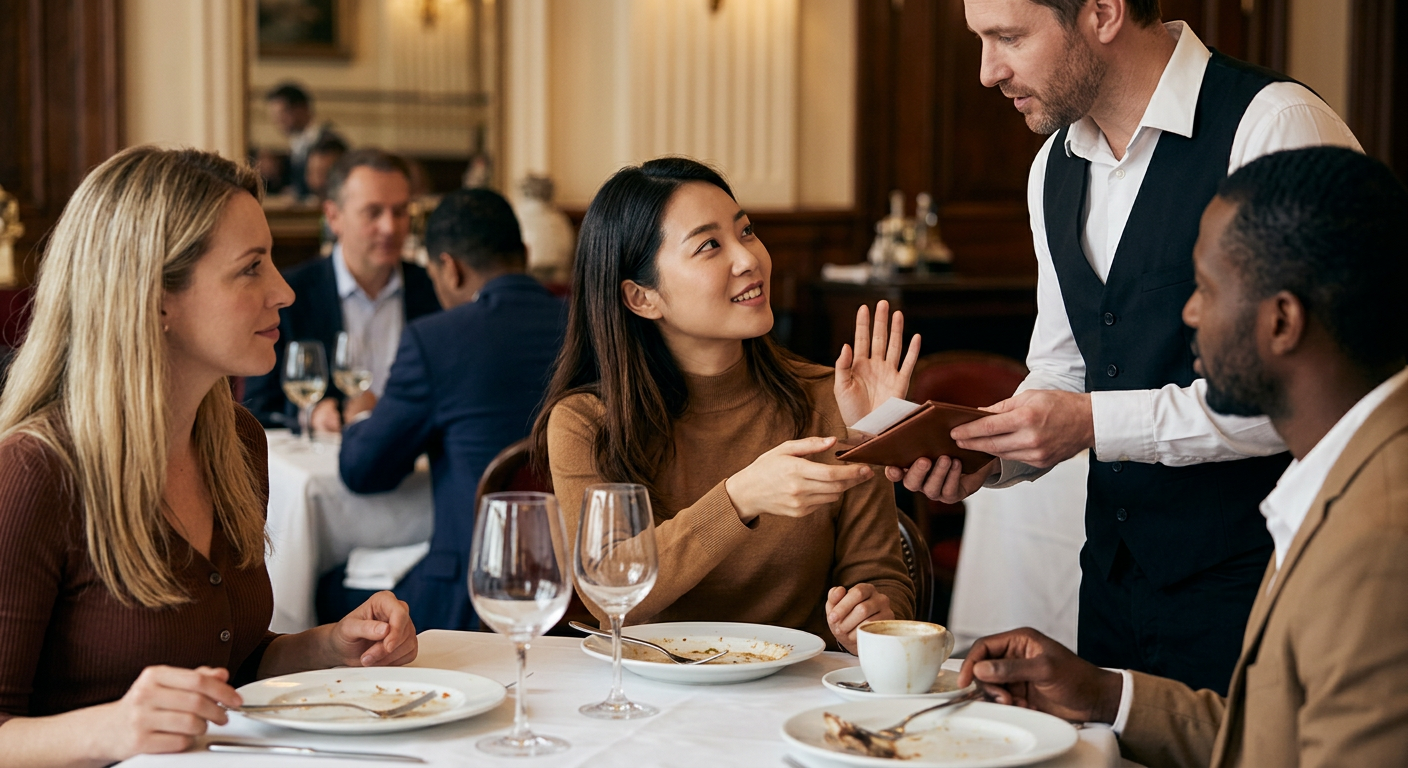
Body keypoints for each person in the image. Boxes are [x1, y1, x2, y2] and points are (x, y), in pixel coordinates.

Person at [895, 0, 1362, 692]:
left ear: (1105, 12)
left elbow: (1328, 394)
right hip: (1112, 587)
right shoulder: (1051, 168)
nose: (988, 71)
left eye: (1008, 37)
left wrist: (1090, 422)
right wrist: (991, 456)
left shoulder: (1274, 127)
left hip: (1264, 583)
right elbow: (1062, 369)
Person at [958, 146, 1408, 768]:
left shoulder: (1380, 538)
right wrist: (1101, 694)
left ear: (1282, 321)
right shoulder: (1339, 479)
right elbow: (1274, 738)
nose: (1188, 313)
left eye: (1205, 287)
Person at [0, 146, 418, 766]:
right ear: (156, 298)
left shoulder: (238, 444)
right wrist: (113, 729)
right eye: (251, 268)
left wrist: (329, 646)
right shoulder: (34, 473)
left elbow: (231, 659)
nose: (283, 291)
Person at [533, 157, 916, 654]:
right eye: (710, 245)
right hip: (649, 699)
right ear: (642, 297)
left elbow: (884, 582)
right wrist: (739, 498)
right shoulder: (587, 422)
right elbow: (608, 591)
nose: (749, 258)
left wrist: (872, 613)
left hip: (793, 698)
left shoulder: (833, 398)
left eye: (747, 231)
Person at [325, 189, 568, 631]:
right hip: (579, 590)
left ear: (449, 268)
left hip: (471, 598)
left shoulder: (437, 340)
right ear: (525, 254)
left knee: (326, 587)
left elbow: (364, 471)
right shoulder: (587, 325)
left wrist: (361, 416)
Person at [243, 148, 441, 433]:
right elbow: (258, 407)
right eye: (373, 213)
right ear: (334, 216)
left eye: (400, 212)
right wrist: (309, 414)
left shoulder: (434, 290)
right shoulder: (288, 295)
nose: (390, 227)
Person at [263, 82, 344, 198]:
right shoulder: (294, 145)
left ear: (301, 109)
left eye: (281, 114)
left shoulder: (332, 144)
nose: (277, 121)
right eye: (274, 116)